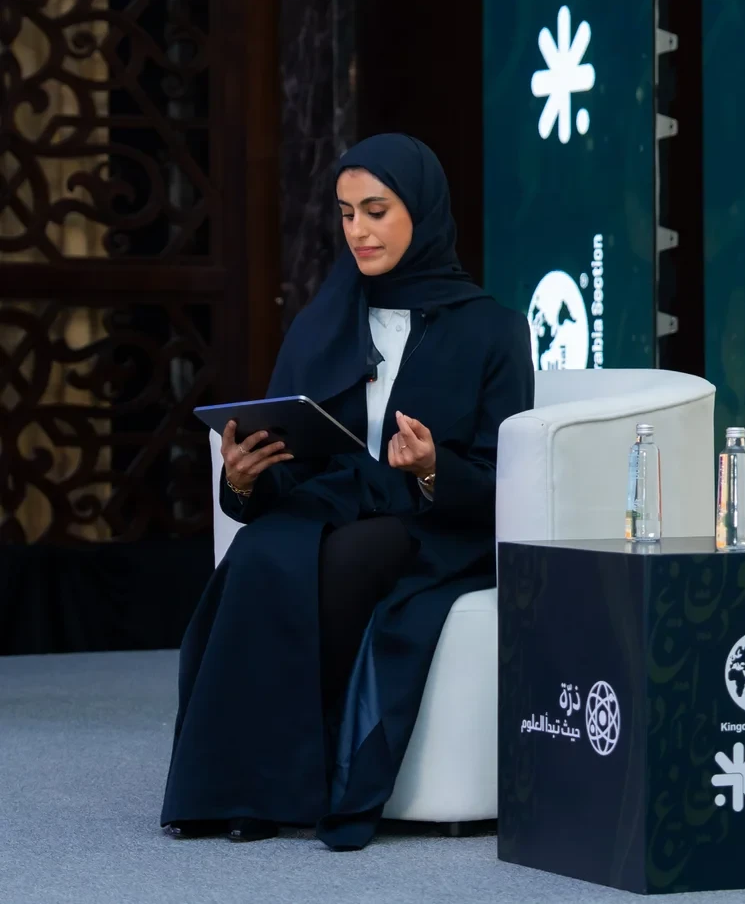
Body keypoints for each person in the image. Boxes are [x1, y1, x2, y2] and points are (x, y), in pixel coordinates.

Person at [160, 134, 535, 850]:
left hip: (436, 524)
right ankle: (237, 786)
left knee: (346, 559)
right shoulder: (324, 319)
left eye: (376, 210)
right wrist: (243, 478)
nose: (358, 230)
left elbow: (503, 479)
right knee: (261, 551)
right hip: (336, 503)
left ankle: (294, 779)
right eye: (346, 213)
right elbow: (294, 458)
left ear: (421, 211)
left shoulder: (494, 330)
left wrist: (432, 467)